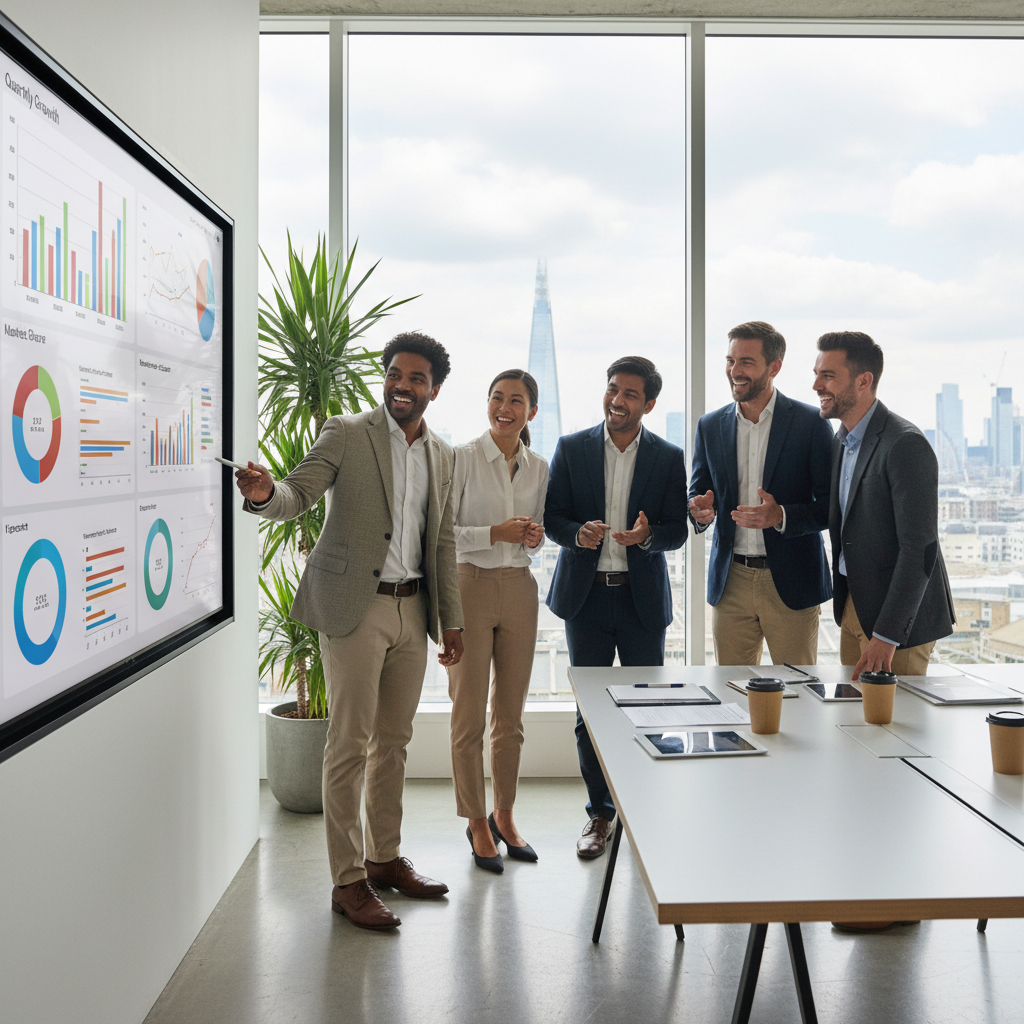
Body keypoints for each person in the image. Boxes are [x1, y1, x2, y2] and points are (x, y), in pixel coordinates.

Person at [236, 331, 464, 931]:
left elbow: (442, 542)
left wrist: (452, 623)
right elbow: (298, 492)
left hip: (414, 612)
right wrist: (265, 495)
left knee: (394, 743)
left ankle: (384, 858)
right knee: (349, 744)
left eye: (416, 378)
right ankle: (347, 882)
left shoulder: (442, 454)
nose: (401, 385)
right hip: (353, 611)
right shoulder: (345, 432)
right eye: (394, 374)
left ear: (433, 390)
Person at [545, 356, 688, 859]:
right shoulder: (571, 448)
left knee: (647, 709)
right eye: (612, 389)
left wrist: (650, 537)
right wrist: (574, 533)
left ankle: (644, 809)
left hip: (640, 600)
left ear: (648, 404)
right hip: (585, 599)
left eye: (629, 394)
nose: (617, 400)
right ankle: (600, 815)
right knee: (590, 715)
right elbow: (552, 517)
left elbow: (677, 529)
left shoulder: (668, 457)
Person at [448, 370, 547, 873]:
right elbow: (444, 532)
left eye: (516, 400)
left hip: (520, 591)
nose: (504, 407)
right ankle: (476, 821)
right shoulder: (462, 458)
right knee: (468, 716)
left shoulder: (539, 467)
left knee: (510, 716)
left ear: (531, 410)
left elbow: (539, 534)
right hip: (470, 587)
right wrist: (496, 531)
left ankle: (504, 814)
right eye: (496, 398)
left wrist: (531, 537)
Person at [688, 321, 833, 667]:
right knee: (731, 692)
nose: (734, 371)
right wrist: (699, 509)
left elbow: (832, 507)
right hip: (731, 580)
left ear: (774, 367)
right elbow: (698, 490)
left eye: (746, 362)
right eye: (730, 360)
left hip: (791, 582)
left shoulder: (811, 424)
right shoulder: (709, 426)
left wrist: (780, 516)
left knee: (799, 692)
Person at [813, 330, 954, 681]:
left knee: (894, 726)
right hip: (853, 607)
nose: (816, 385)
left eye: (828, 375)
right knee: (855, 722)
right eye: (816, 374)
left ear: (864, 381)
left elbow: (919, 549)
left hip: (898, 625)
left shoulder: (905, 443)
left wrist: (888, 636)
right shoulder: (841, 441)